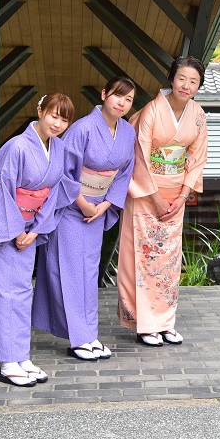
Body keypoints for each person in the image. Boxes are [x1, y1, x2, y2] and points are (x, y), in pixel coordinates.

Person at [0, 92, 74, 386]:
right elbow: (1, 189)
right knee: (3, 291)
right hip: (5, 229)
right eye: (53, 115)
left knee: (22, 291)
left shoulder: (60, 150)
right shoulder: (16, 146)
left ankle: (20, 354)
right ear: (40, 110)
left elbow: (55, 193)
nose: (57, 123)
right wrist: (17, 231)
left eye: (64, 119)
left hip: (30, 229)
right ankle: (5, 360)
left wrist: (36, 230)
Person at [33, 77, 138, 361]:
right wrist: (82, 203)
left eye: (128, 100)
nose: (122, 103)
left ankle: (88, 335)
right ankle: (78, 339)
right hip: (71, 209)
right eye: (118, 96)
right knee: (68, 274)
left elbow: (125, 172)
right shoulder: (81, 128)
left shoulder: (128, 133)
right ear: (104, 94)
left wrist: (106, 204)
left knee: (88, 276)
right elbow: (62, 172)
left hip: (97, 210)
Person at [117, 56, 208, 346]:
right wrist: (153, 195)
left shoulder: (197, 115)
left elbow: (197, 157)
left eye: (193, 81)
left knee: (168, 261)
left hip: (175, 197)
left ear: (198, 86)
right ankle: (145, 323)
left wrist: (183, 196)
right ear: (171, 79)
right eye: (182, 78)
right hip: (145, 194)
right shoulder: (152, 111)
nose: (186, 85)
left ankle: (165, 321)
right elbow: (140, 155)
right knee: (142, 257)